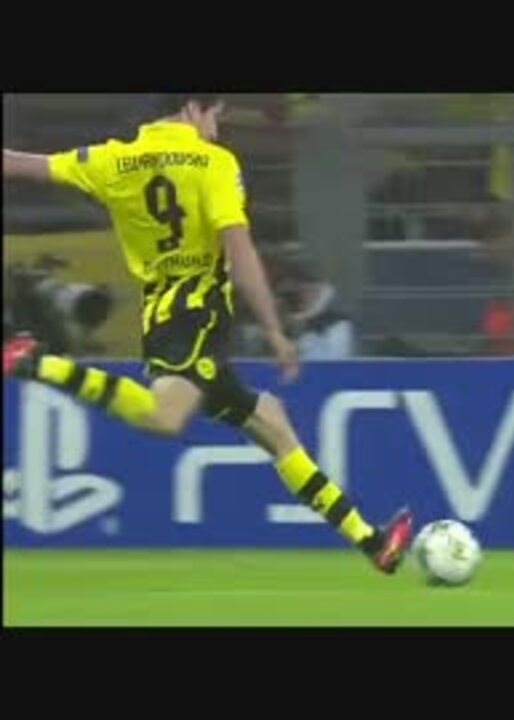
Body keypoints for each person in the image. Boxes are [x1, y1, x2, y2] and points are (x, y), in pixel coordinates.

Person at [2, 93, 412, 573]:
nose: (216, 128)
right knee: (165, 415)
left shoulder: (113, 159)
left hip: (163, 313)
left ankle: (371, 542)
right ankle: (38, 363)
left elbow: (25, 165)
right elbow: (240, 252)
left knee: (272, 422)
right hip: (196, 314)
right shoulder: (214, 163)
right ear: (192, 108)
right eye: (215, 115)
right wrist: (275, 329)